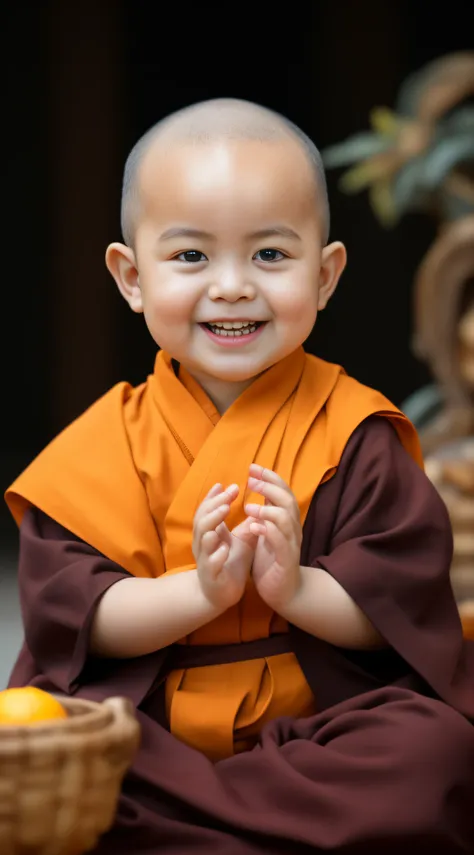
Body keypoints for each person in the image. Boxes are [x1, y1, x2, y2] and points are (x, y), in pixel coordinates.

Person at [5, 98, 474, 854]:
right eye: (191, 256)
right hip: (152, 725)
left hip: (325, 718)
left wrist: (295, 587)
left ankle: (189, 833)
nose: (231, 286)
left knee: (430, 749)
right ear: (130, 276)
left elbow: (400, 606)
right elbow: (72, 614)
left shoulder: (356, 431)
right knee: (65, 742)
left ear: (325, 276)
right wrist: (199, 593)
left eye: (269, 255)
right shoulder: (100, 445)